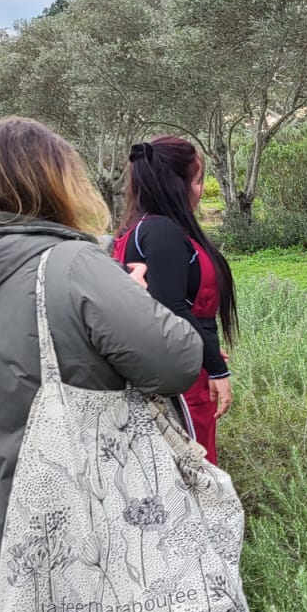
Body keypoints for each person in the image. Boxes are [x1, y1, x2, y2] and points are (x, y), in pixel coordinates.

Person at [0, 118, 202, 612]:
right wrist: (130, 295)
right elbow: (177, 362)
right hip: (65, 533)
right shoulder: (71, 265)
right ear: (57, 184)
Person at [112, 135, 241, 464]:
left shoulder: (135, 229)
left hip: (171, 364)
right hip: (181, 378)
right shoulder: (162, 231)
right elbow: (173, 309)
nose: (200, 190)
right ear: (176, 184)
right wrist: (216, 371)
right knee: (195, 465)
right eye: (198, 180)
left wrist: (208, 348)